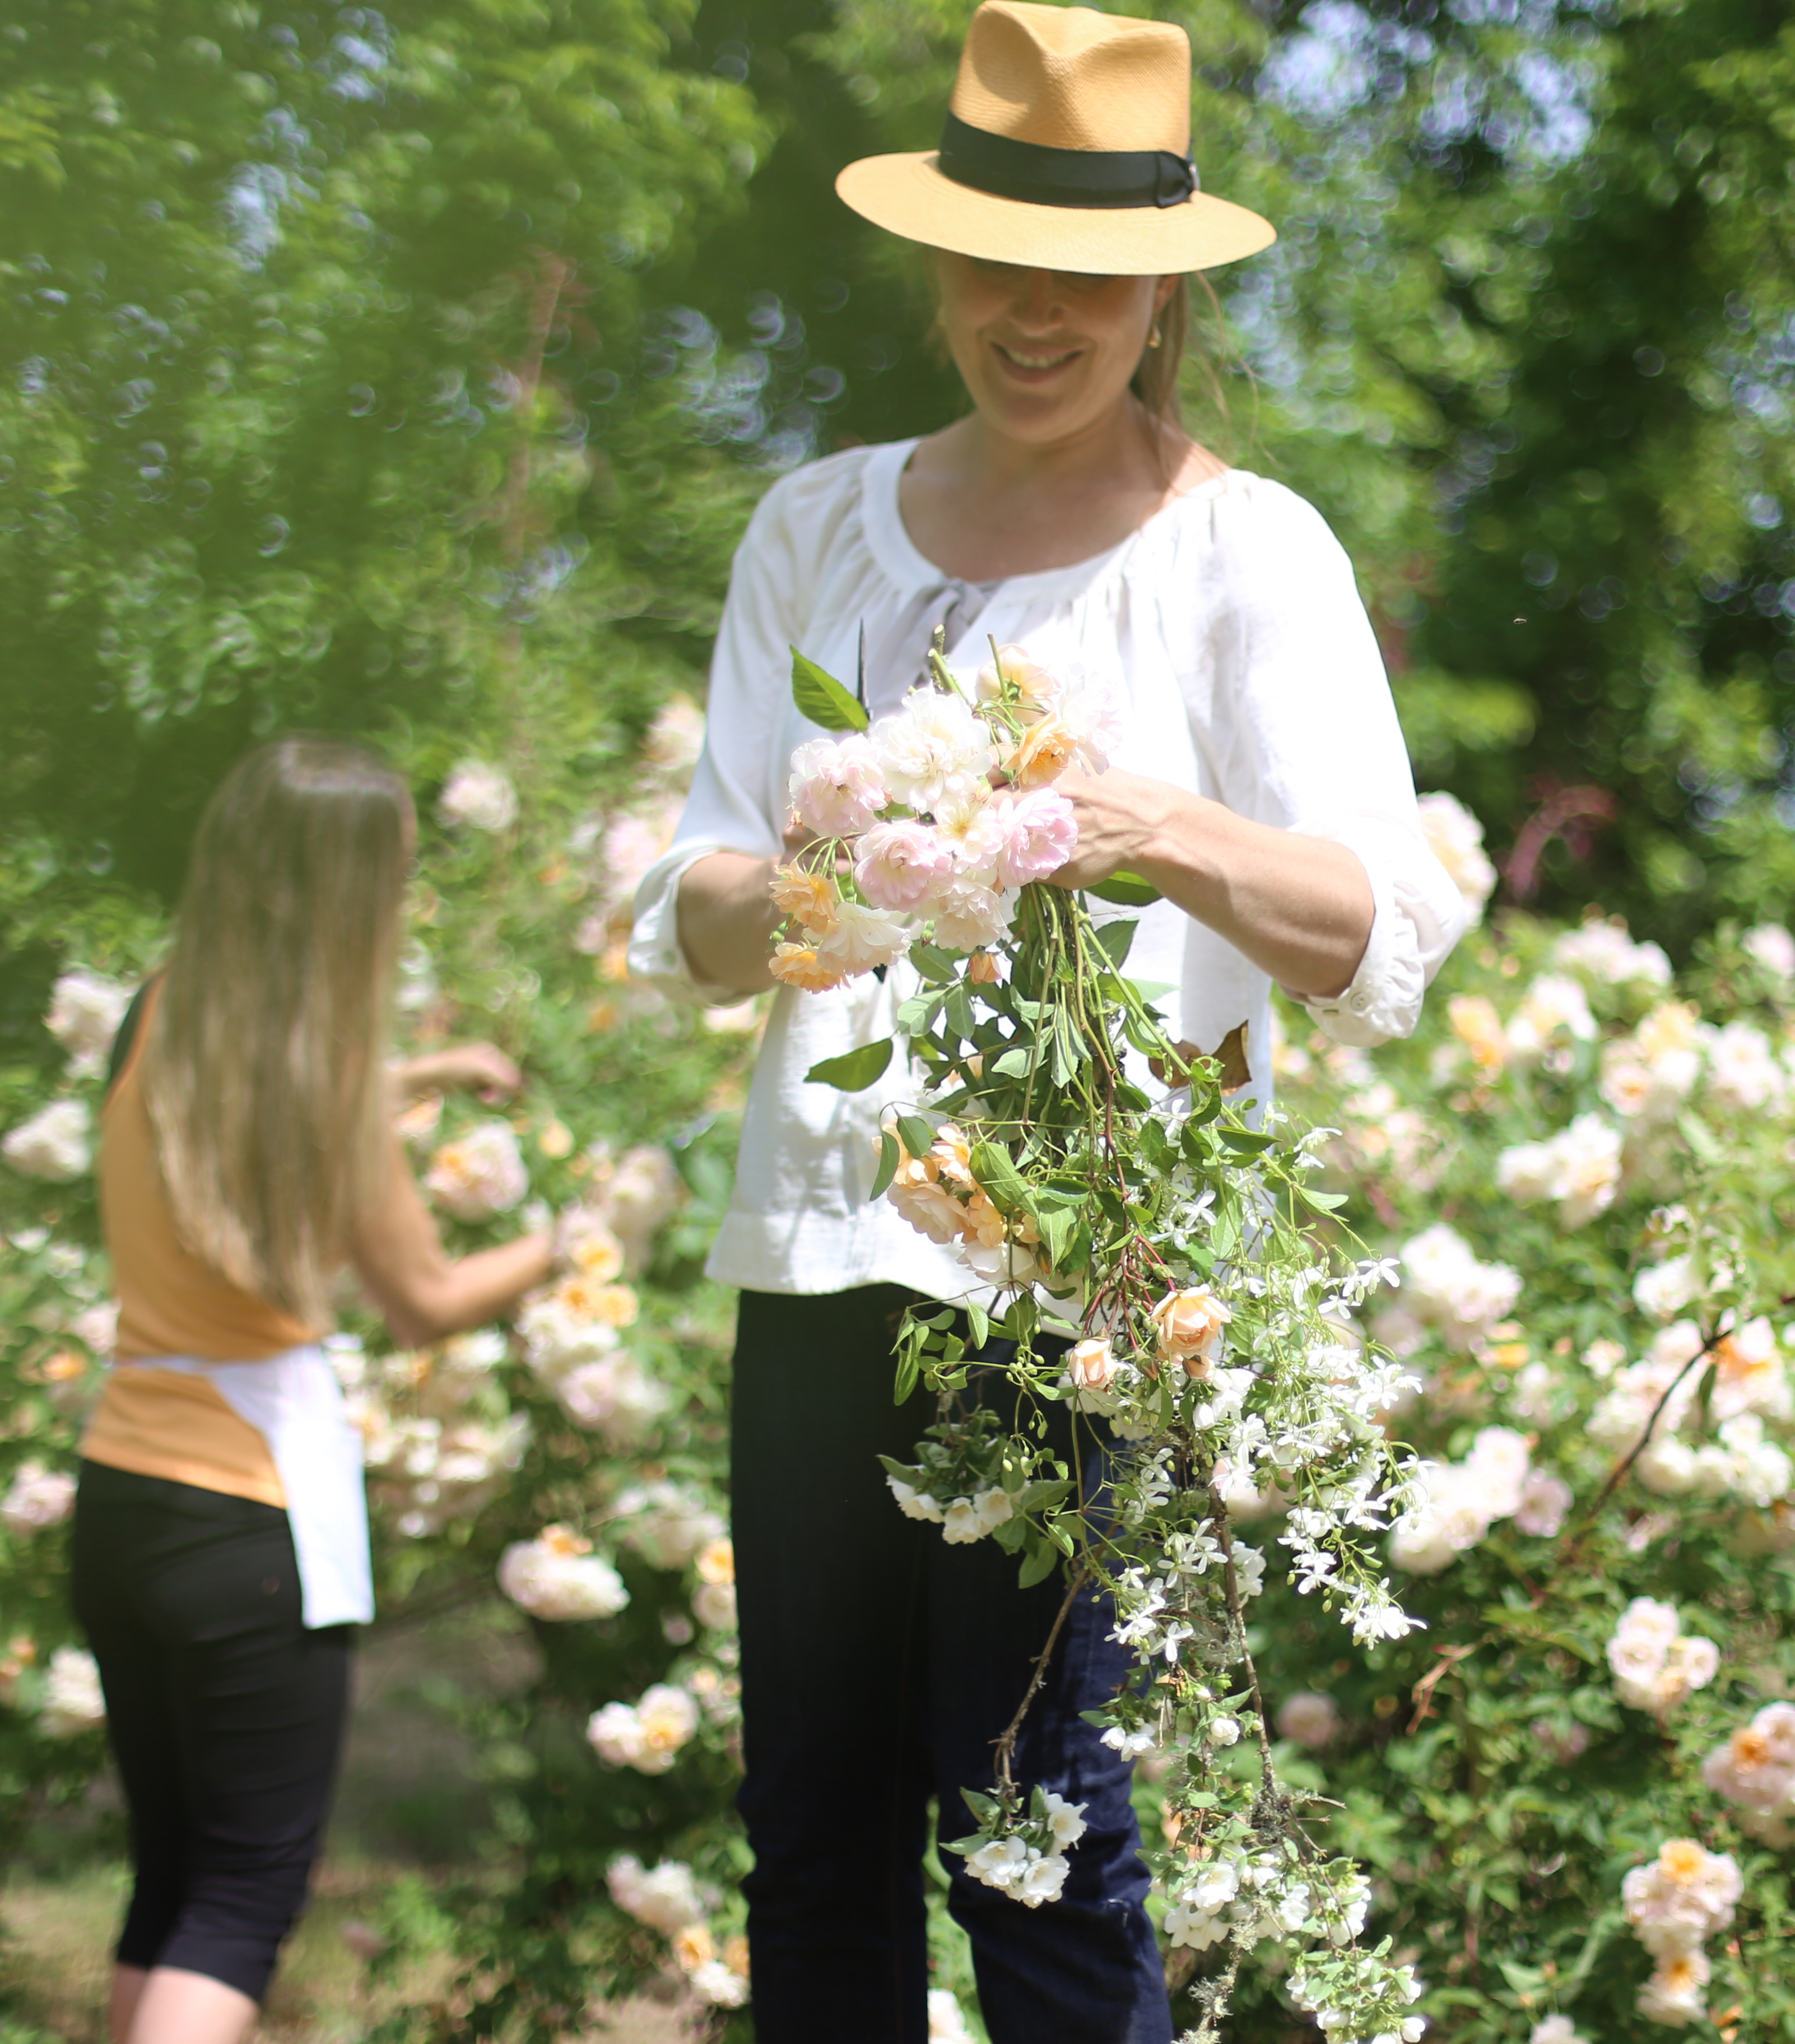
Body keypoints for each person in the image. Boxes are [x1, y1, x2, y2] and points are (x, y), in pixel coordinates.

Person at [626, 5, 1473, 2036]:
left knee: (1046, 1835)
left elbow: (1385, 928)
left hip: (1084, 1292)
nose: (1038, 311)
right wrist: (829, 869)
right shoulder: (813, 529)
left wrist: (1153, 824)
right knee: (811, 1835)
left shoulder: (1243, 553)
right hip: (827, 1257)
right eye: (999, 258)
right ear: (936, 261)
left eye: (1089, 274)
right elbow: (689, 901)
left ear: (1161, 291)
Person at [71, 737, 552, 2044]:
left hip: (121, 1494)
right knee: (243, 1895)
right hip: (245, 1513)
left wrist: (422, 1077)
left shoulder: (160, 1009)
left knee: (172, 1875)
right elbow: (427, 1303)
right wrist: (558, 1243)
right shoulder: (324, 1076)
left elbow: (254, 1104)